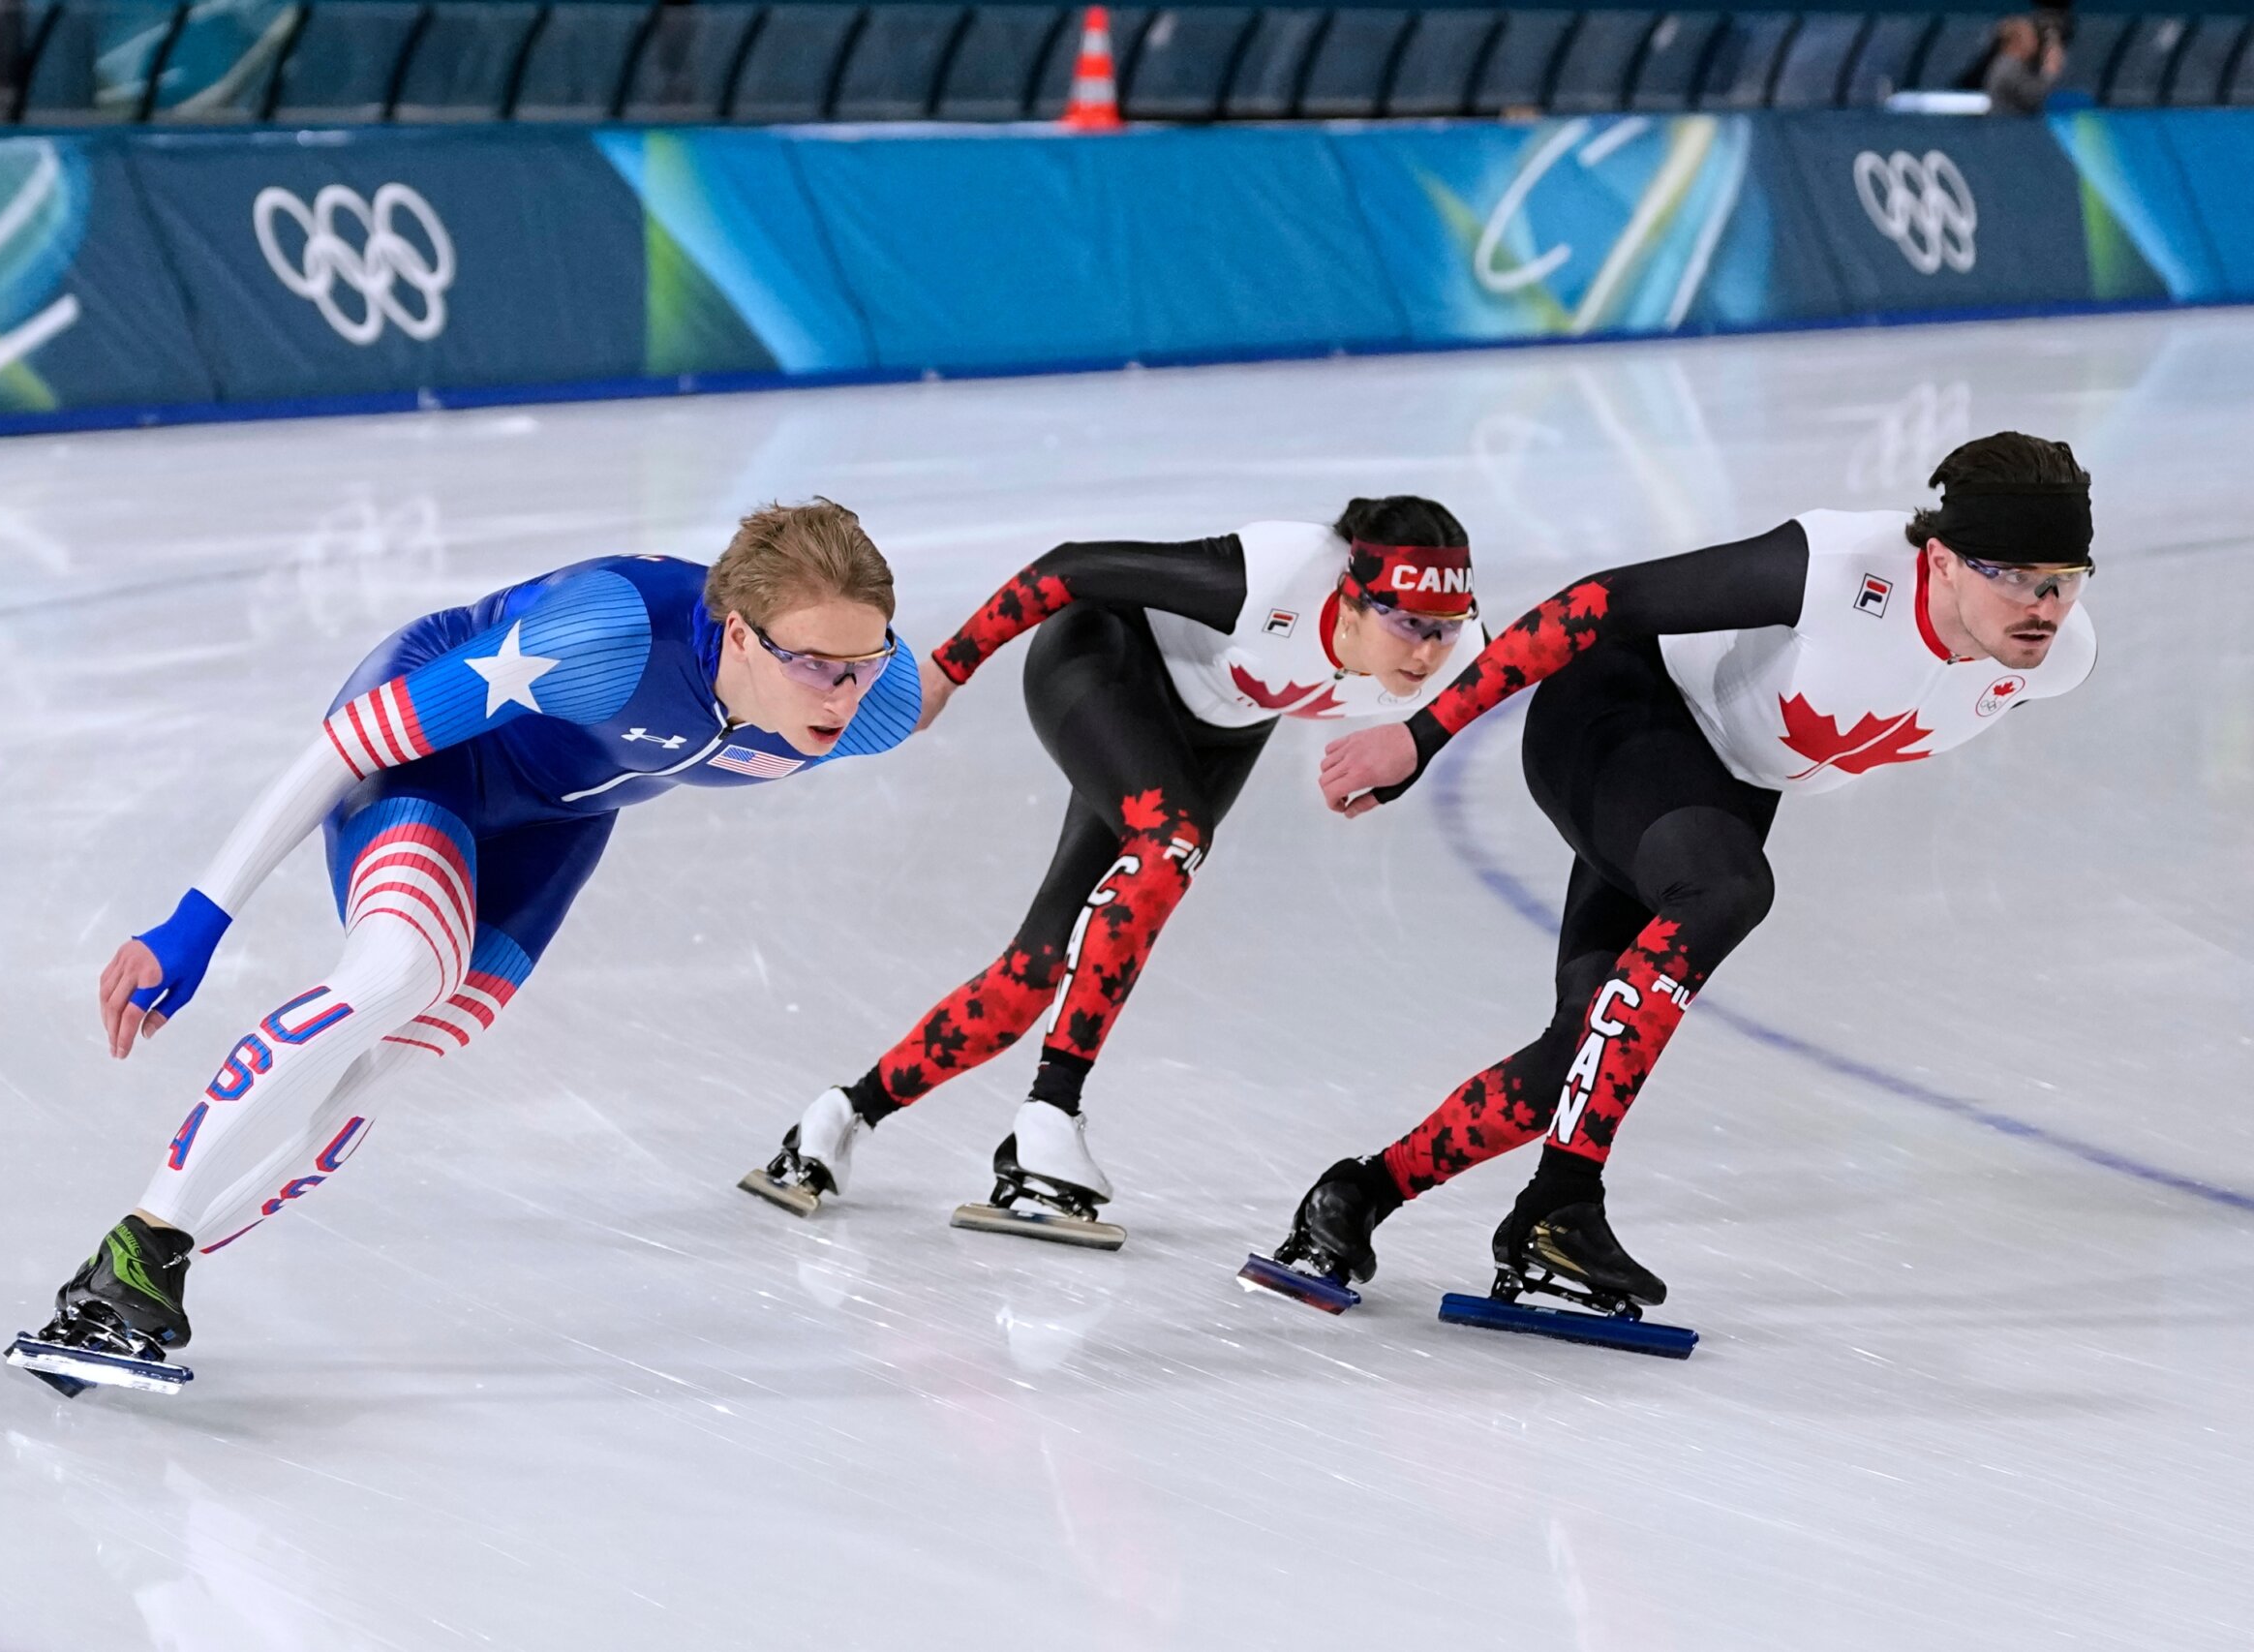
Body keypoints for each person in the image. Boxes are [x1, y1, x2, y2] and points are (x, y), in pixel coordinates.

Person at [10, 501, 927, 1393]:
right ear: (735, 635)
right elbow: (344, 745)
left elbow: (923, 689)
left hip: (560, 823)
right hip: (436, 760)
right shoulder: (608, 637)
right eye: (813, 664)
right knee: (404, 970)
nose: (845, 692)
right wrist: (197, 921)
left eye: (864, 660)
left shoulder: (876, 705)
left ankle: (132, 1279)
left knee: (396, 1062)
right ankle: (150, 1226)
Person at [1251, 433, 2099, 1323]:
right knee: (1727, 890)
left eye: (2066, 579)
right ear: (1940, 560)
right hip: (1620, 708)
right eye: (2014, 574)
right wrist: (1419, 736)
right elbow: (1602, 602)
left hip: (1721, 782)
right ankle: (1562, 1203)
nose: (2043, 606)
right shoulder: (1841, 566)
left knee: (1580, 1058)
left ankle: (1356, 1196)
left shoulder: (2058, 657)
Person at [743, 499, 1486, 1244]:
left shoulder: (1461, 649)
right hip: (1103, 662)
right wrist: (947, 669)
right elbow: (1070, 569)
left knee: (1039, 969)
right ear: (1350, 602)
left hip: (1218, 730)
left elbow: (1507, 683)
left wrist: (1408, 756)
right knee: (1172, 842)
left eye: (1441, 629)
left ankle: (840, 1117)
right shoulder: (1276, 575)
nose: (1425, 653)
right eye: (1405, 624)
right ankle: (1049, 1114)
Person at [1982, 14, 2063, 115]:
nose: (2036, 42)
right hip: (2009, 125)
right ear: (2016, 41)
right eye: (2031, 37)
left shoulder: (2014, 65)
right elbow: (2033, 98)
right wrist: (2049, 71)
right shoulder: (2009, 68)